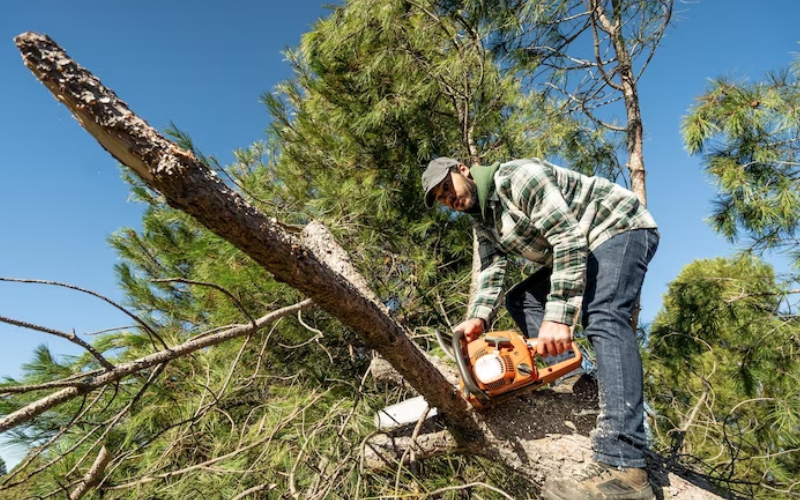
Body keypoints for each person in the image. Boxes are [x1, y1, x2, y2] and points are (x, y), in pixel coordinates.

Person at [422, 157, 659, 500]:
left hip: (617, 228)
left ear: (463, 169)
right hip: (583, 245)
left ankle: (625, 463)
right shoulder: (482, 219)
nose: (450, 198)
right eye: (443, 199)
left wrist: (558, 317)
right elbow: (491, 268)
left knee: (604, 316)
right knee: (521, 300)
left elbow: (567, 238)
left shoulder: (519, 177)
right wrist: (478, 318)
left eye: (447, 187)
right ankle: (578, 386)